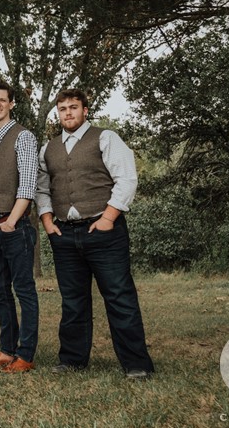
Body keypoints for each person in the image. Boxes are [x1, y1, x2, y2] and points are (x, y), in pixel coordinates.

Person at [35, 88, 155, 380]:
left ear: (85, 110)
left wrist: (109, 218)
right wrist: (48, 222)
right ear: (58, 114)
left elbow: (126, 179)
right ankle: (72, 360)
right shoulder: (48, 148)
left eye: (73, 107)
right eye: (62, 109)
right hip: (64, 233)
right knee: (73, 301)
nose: (68, 113)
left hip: (104, 231)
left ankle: (136, 364)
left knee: (119, 296)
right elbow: (41, 188)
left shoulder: (105, 138)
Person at [0, 79, 39, 373]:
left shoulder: (23, 137)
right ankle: (6, 350)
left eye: (3, 99)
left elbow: (27, 186)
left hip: (14, 227)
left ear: (11, 104)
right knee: (0, 291)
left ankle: (25, 355)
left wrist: (12, 222)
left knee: (24, 290)